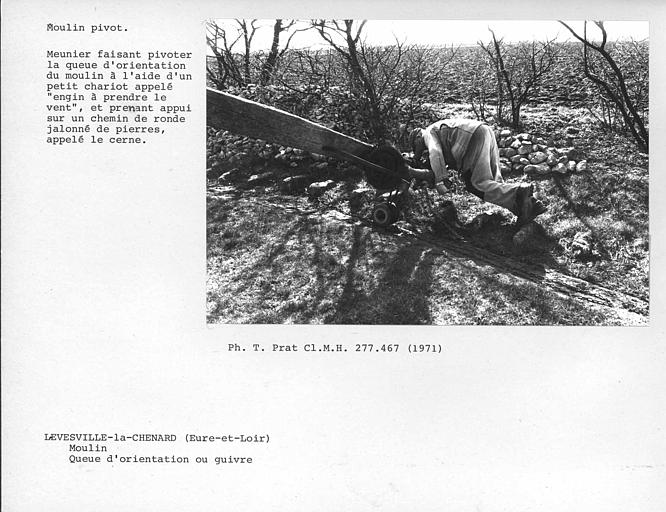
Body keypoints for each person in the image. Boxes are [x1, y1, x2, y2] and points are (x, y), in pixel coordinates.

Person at [405, 119, 546, 225]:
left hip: (473, 137)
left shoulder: (427, 133)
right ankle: (530, 205)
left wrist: (441, 180)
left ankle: (520, 191)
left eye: (416, 147)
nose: (418, 152)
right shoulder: (438, 130)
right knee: (493, 183)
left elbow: (435, 153)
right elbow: (444, 156)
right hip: (483, 131)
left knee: (476, 184)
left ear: (417, 137)